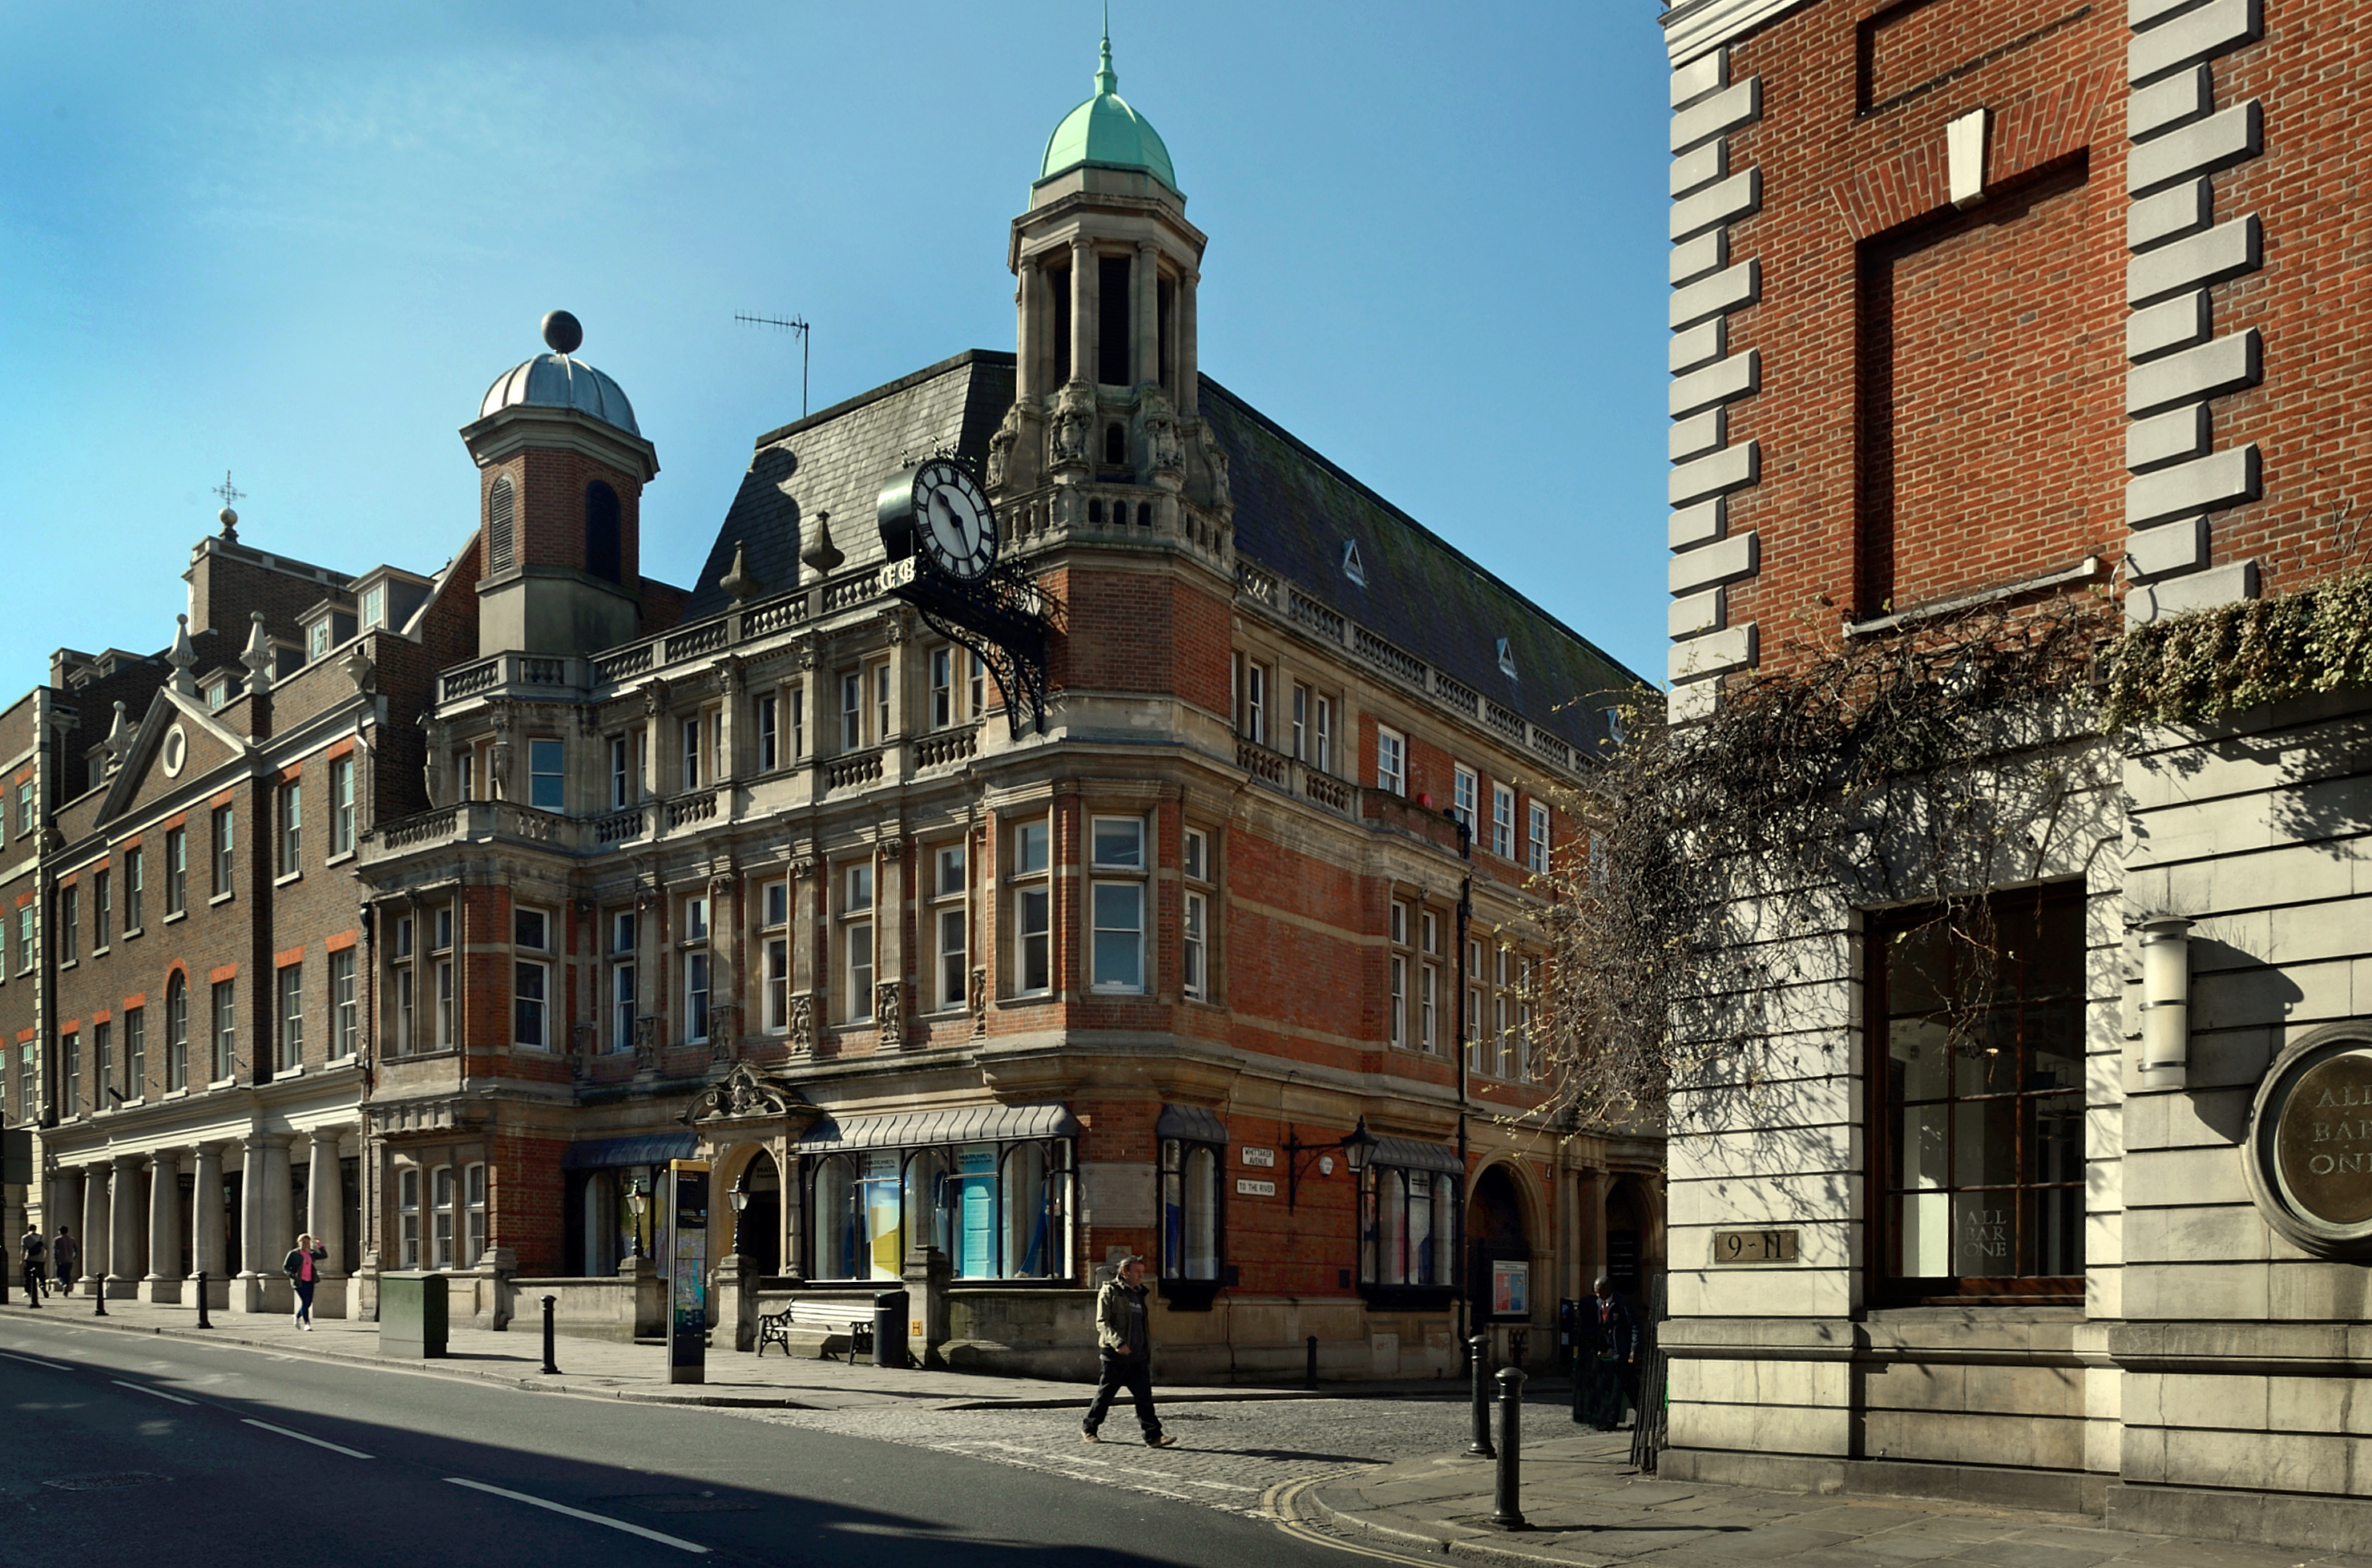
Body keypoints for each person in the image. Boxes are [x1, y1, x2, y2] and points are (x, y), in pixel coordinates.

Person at [1081, 1255, 1174, 1448]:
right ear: (1125, 1272)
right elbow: (1102, 1322)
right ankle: (1089, 1428)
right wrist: (1117, 1343)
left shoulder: (1140, 1294)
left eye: (1142, 1272)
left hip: (1137, 1356)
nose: (1141, 1276)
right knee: (1105, 1395)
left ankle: (1154, 1436)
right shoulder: (1110, 1291)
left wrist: (1145, 1351)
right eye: (1137, 1272)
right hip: (1114, 1355)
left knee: (1144, 1398)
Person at [1575, 1272, 1638, 1431]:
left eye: (1599, 1291)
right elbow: (1602, 1328)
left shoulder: (1622, 1302)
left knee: (1615, 1388)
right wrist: (1601, 1348)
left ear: (1607, 1289)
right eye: (1595, 1291)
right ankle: (1645, 1418)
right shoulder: (1599, 1303)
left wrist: (1634, 1349)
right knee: (1631, 1388)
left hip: (1622, 1351)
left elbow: (1635, 1326)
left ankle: (1610, 1421)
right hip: (1611, 1351)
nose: (1597, 1294)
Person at [283, 1233, 326, 1330]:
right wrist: (292, 1275)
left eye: (307, 1243)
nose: (305, 1244)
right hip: (299, 1281)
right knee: (305, 1301)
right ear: (298, 1243)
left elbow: (324, 1255)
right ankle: (307, 1324)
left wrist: (319, 1244)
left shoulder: (311, 1253)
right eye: (303, 1242)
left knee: (308, 1302)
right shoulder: (293, 1254)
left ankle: (297, 1316)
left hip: (310, 1280)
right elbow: (285, 1267)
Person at [18, 1223, 46, 1306]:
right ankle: (42, 1284)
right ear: (35, 1229)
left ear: (28, 1229)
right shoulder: (41, 1237)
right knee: (41, 1274)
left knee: (28, 1276)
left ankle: (28, 1292)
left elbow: (23, 1250)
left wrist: (21, 1260)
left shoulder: (25, 1237)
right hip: (40, 1259)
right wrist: (44, 1259)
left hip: (29, 1259)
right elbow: (46, 1249)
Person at [50, 1226, 79, 1299]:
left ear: (59, 1231)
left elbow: (55, 1250)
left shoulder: (57, 1240)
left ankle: (64, 1284)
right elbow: (76, 1250)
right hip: (69, 1260)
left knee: (59, 1274)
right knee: (67, 1274)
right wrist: (73, 1257)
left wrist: (55, 1259)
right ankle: (66, 1288)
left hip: (60, 1260)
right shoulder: (72, 1240)